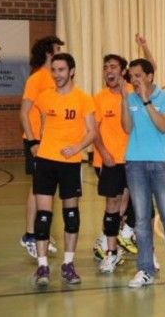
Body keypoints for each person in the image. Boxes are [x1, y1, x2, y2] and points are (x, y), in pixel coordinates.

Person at [32, 53, 96, 286]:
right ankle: (42, 267)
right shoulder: (45, 97)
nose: (57, 74)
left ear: (71, 71)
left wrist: (76, 147)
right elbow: (37, 121)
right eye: (54, 70)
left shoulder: (83, 98)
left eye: (61, 70)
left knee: (71, 216)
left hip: (70, 164)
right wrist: (36, 143)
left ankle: (68, 265)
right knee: (43, 217)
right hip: (46, 162)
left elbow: (92, 131)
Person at [122, 58, 165, 288]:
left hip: (162, 164)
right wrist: (125, 101)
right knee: (141, 220)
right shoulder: (130, 97)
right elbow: (127, 128)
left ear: (149, 76)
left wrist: (146, 100)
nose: (134, 80)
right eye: (131, 76)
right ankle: (145, 269)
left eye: (138, 75)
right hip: (135, 163)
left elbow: (162, 125)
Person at [19, 35, 64, 258]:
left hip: (51, 142)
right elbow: (24, 113)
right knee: (37, 187)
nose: (59, 51)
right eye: (57, 48)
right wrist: (33, 141)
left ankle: (40, 232)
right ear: (49, 52)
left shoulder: (54, 78)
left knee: (46, 189)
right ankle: (29, 235)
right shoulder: (37, 78)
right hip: (37, 141)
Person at [92, 54, 133, 273]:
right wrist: (104, 152)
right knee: (113, 204)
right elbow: (94, 130)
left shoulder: (134, 95)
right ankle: (110, 252)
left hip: (132, 160)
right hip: (109, 161)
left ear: (123, 71)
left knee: (125, 206)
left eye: (113, 66)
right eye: (105, 67)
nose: (109, 70)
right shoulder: (99, 98)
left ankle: (108, 242)